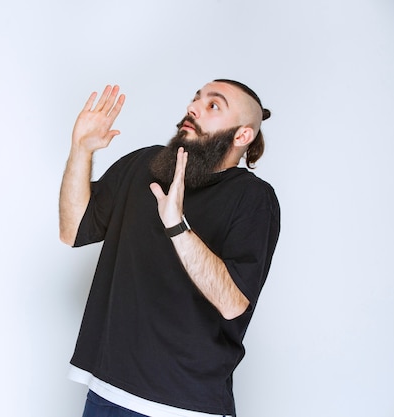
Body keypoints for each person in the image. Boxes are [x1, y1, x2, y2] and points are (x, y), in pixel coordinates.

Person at [59, 80, 281, 417]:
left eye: (213, 106)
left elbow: (233, 302)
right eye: (196, 99)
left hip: (183, 407)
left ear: (242, 136)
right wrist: (81, 150)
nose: (193, 108)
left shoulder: (252, 199)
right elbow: (72, 231)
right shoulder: (143, 166)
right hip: (106, 391)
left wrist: (177, 226)